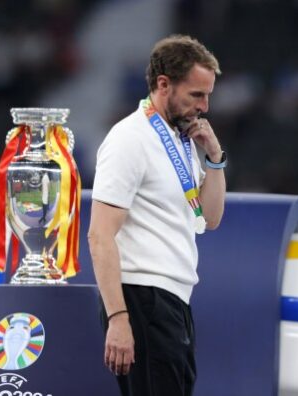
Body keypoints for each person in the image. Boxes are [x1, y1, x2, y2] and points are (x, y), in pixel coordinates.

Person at [88, 34, 226, 396]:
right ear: (163, 84)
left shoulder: (182, 141)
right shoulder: (129, 139)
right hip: (142, 300)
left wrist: (214, 157)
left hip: (175, 301)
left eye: (208, 95)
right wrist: (118, 318)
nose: (205, 106)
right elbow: (99, 235)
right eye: (197, 94)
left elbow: (210, 218)